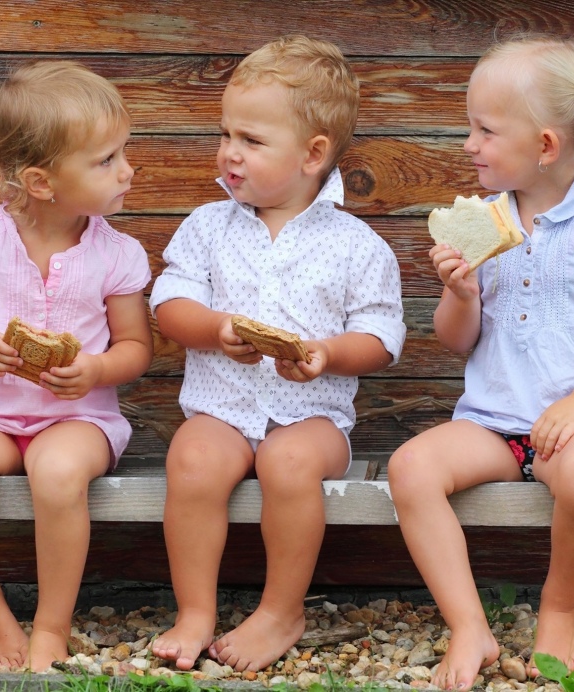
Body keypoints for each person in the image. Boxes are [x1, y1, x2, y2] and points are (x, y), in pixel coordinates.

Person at [387, 34, 574, 690]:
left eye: (484, 129)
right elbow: (458, 339)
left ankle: (558, 610)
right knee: (411, 467)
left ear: (544, 145)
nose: (468, 144)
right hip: (493, 419)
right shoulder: (479, 222)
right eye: (468, 127)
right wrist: (460, 292)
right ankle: (469, 625)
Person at [148, 35, 406, 673]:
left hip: (313, 419)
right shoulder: (208, 226)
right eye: (226, 134)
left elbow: (382, 338)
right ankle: (195, 610)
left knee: (290, 461)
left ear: (313, 154)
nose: (230, 154)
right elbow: (169, 305)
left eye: (252, 141)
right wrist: (216, 330)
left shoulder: (357, 245)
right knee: (194, 457)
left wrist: (326, 353)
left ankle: (281, 610)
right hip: (222, 407)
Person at [0, 61, 154, 672]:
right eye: (106, 160)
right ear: (41, 182)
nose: (127, 169)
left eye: (124, 151)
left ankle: (51, 624)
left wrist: (96, 371)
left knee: (57, 473)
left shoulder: (118, 253)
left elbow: (135, 348)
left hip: (78, 416)